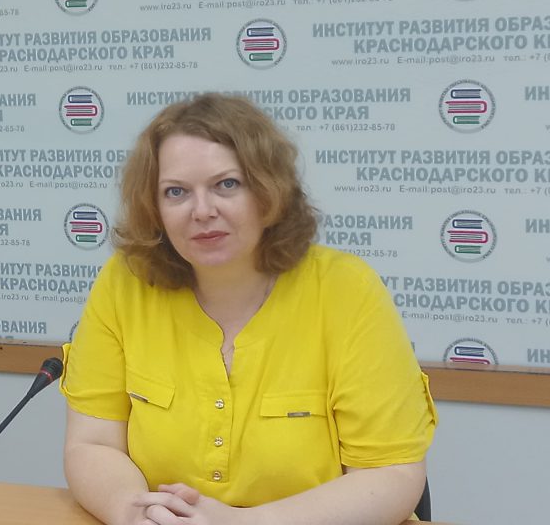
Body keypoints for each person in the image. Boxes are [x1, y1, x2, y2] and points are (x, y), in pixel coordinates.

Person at [61, 93, 436, 525]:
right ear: (155, 208)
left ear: (268, 190)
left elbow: (391, 474)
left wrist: (243, 523)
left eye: (227, 185)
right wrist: (133, 512)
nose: (202, 211)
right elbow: (93, 443)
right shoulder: (125, 283)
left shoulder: (347, 291)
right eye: (176, 192)